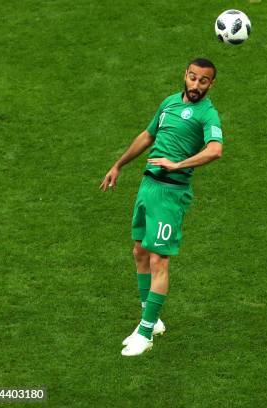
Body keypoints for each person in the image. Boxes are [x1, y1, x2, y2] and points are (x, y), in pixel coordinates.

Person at [100, 58, 223, 356]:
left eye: (203, 81)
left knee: (159, 259)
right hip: (148, 186)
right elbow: (147, 135)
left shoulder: (207, 114)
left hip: (171, 193)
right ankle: (151, 319)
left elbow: (216, 150)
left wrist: (178, 164)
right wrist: (118, 164)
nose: (195, 85)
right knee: (140, 251)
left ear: (211, 84)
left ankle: (145, 334)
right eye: (192, 78)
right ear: (185, 75)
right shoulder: (169, 102)